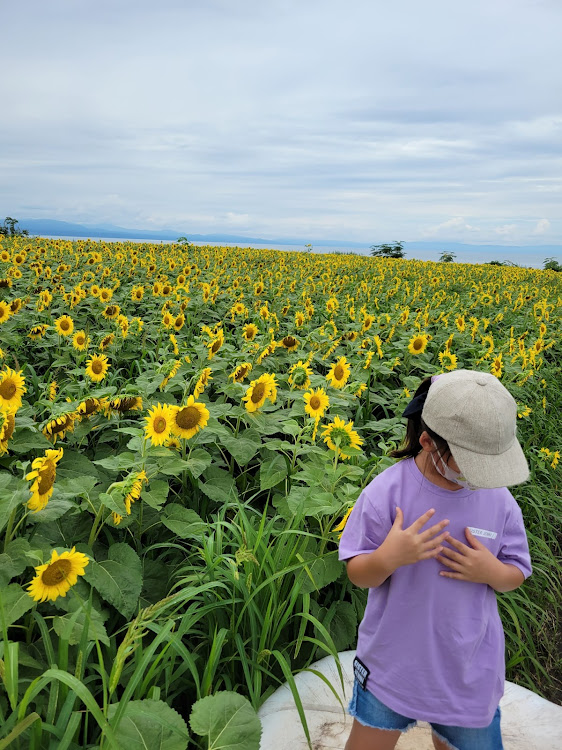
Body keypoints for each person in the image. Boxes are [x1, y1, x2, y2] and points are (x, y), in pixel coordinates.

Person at [339, 369, 532, 750]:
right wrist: (389, 557)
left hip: (466, 667)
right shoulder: (387, 493)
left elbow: (516, 573)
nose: (484, 476)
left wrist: (491, 571)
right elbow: (358, 574)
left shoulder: (499, 500)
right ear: (427, 441)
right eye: (471, 462)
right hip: (392, 664)